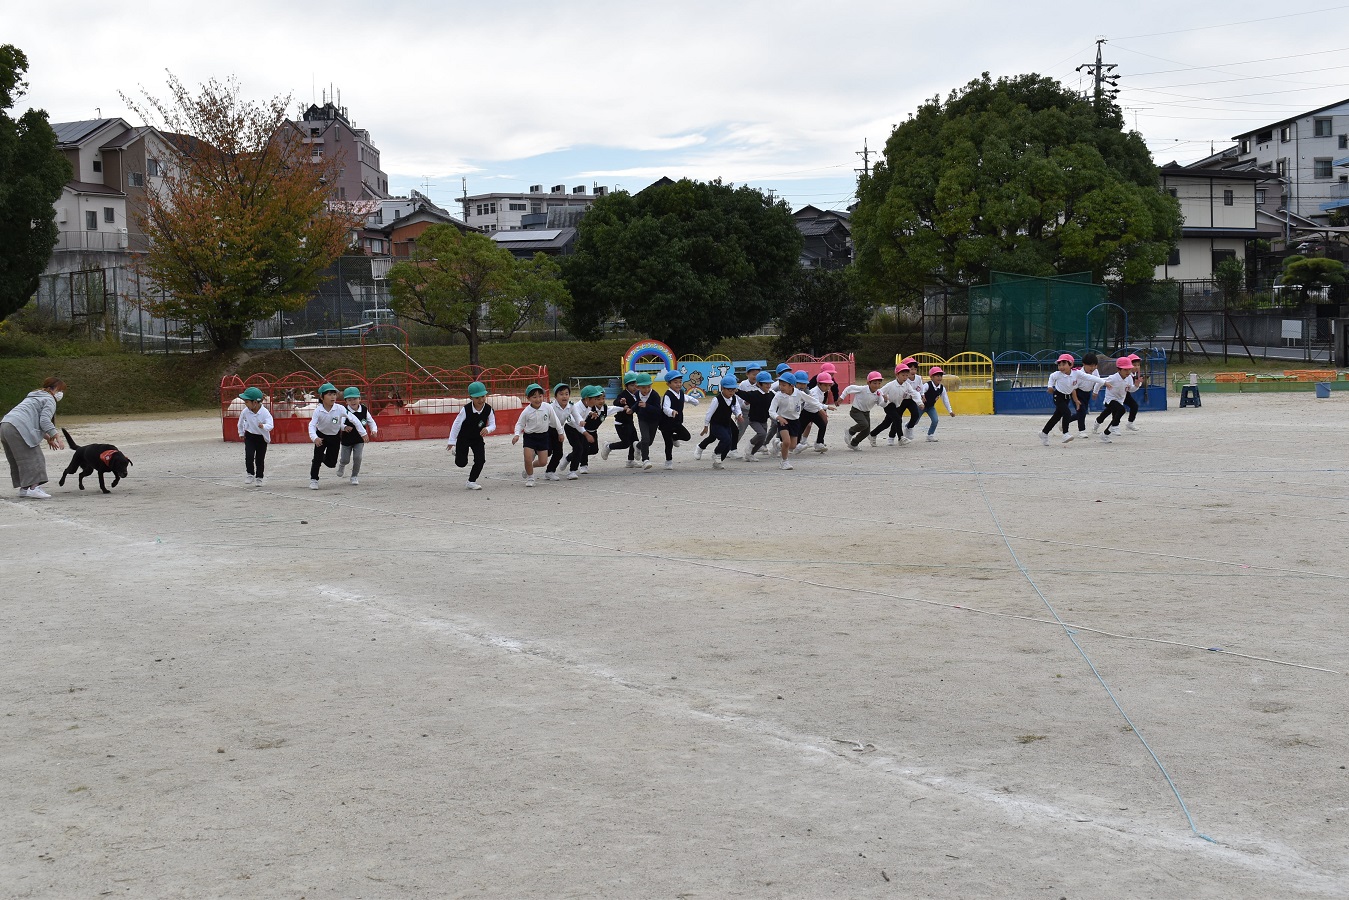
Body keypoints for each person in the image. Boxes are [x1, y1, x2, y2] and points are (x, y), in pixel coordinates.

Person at [2, 377, 66, 500]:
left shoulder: (33, 396)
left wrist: (48, 438)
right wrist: (57, 436)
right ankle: (34, 488)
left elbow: (31, 422)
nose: (61, 393)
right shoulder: (49, 399)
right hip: (17, 427)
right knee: (35, 457)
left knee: (20, 459)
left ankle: (24, 488)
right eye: (60, 390)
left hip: (5, 425)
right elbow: (44, 421)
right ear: (53, 389)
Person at [309, 383, 367, 489]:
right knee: (316, 459)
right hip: (321, 436)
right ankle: (314, 480)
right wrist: (315, 438)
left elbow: (353, 419)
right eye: (329, 394)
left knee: (331, 463)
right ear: (322, 397)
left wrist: (363, 433)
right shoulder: (318, 410)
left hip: (335, 437)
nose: (333, 397)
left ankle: (322, 456)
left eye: (334, 394)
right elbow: (312, 425)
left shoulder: (339, 408)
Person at [446, 381, 494, 490]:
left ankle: (471, 481)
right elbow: (456, 424)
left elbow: (493, 424)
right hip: (464, 438)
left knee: (480, 460)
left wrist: (488, 429)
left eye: (483, 396)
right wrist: (452, 441)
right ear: (471, 398)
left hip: (477, 438)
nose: (481, 400)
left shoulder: (488, 409)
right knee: (461, 463)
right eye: (477, 398)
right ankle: (457, 452)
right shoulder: (466, 409)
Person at [512, 383, 562, 486]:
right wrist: (516, 434)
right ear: (528, 398)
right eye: (534, 397)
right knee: (527, 458)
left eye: (540, 396)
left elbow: (555, 420)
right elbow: (520, 424)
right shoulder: (526, 411)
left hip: (543, 436)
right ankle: (530, 478)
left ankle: (529, 468)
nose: (538, 399)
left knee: (543, 462)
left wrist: (560, 432)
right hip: (530, 437)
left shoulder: (547, 407)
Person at [700, 375, 745, 469]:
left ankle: (718, 462)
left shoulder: (734, 398)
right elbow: (709, 413)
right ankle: (716, 453)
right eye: (729, 390)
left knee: (728, 444)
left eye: (733, 390)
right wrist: (706, 425)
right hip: (716, 424)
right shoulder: (717, 399)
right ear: (723, 388)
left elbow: (737, 408)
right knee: (726, 439)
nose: (732, 392)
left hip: (726, 424)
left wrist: (739, 415)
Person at [337, 387, 378, 485]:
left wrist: (374, 430)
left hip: (359, 439)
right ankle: (342, 464)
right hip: (346, 440)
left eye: (355, 399)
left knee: (358, 457)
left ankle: (354, 476)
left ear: (359, 398)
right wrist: (344, 427)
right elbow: (339, 423)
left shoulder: (364, 409)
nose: (352, 401)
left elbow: (371, 421)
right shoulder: (344, 410)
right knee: (345, 459)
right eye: (349, 400)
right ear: (346, 401)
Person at [658, 370, 697, 470]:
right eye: (675, 382)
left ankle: (674, 437)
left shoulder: (681, 393)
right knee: (668, 444)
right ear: (668, 384)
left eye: (680, 381)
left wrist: (694, 401)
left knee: (686, 436)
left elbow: (686, 398)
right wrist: (672, 412)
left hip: (677, 422)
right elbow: (665, 408)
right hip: (666, 424)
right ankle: (668, 461)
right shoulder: (667, 395)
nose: (678, 384)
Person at [601, 372, 641, 467]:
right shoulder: (623, 395)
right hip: (621, 423)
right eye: (632, 385)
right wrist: (620, 401)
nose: (635, 387)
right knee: (626, 443)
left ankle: (630, 461)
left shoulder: (637, 395)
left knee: (635, 441)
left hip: (629, 422)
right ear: (626, 386)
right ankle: (608, 446)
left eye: (636, 385)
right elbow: (616, 402)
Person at [236, 386, 274, 486]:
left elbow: (271, 425)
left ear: (255, 403)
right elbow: (240, 423)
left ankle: (259, 477)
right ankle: (250, 474)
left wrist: (263, 426)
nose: (245, 404)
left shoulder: (265, 412)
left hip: (261, 438)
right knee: (249, 456)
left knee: (259, 459)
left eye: (247, 401)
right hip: (250, 436)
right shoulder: (245, 411)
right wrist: (241, 433)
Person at [1093, 358, 1137, 443]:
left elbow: (1130, 389)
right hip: (1110, 400)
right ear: (1118, 369)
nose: (1128, 372)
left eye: (1129, 369)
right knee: (1121, 410)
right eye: (1125, 369)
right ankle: (1109, 426)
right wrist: (1095, 392)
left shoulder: (1129, 378)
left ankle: (1105, 434)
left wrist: (1136, 386)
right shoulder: (1113, 378)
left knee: (1111, 416)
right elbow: (1099, 382)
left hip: (1119, 401)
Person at [544, 383, 582, 481]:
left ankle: (550, 472)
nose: (564, 396)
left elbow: (577, 416)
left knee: (559, 453)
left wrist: (581, 421)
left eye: (566, 394)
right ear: (555, 396)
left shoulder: (571, 406)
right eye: (561, 394)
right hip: (547, 430)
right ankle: (536, 450)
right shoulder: (550, 406)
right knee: (547, 452)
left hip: (558, 430)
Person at [768, 370, 805, 470]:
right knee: (787, 442)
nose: (781, 387)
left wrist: (825, 406)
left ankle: (778, 444)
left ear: (791, 386)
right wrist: (778, 417)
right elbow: (771, 410)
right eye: (780, 384)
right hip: (783, 420)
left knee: (792, 446)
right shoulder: (778, 395)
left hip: (795, 421)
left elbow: (811, 400)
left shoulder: (799, 393)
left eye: (784, 385)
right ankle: (784, 462)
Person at [736, 370, 776, 460]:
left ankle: (750, 455)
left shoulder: (772, 394)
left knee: (763, 439)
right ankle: (750, 445)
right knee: (762, 434)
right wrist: (734, 389)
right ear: (759, 384)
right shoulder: (754, 394)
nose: (768, 386)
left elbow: (779, 398)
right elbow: (743, 394)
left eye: (769, 383)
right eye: (766, 384)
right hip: (754, 420)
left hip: (764, 420)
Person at [1040, 354, 1077, 446]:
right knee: (1067, 413)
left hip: (1066, 398)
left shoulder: (1075, 374)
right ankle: (1065, 434)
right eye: (1059, 365)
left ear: (1071, 365)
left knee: (1056, 417)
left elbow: (1088, 377)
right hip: (1058, 396)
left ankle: (1044, 433)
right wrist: (1050, 386)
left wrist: (1103, 381)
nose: (1061, 367)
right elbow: (1051, 377)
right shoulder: (1058, 374)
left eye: (1064, 364)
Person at [843, 371, 885, 450]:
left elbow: (881, 404)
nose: (877, 385)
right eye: (874, 383)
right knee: (864, 424)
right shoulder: (862, 389)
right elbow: (849, 388)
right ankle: (850, 431)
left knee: (866, 432)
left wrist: (885, 401)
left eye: (879, 383)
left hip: (866, 412)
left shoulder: (879, 392)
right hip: (856, 410)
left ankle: (854, 443)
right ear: (868, 383)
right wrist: (842, 397)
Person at [1069, 354, 1106, 440]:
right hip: (1077, 393)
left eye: (1094, 366)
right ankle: (1081, 431)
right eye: (1090, 366)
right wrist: (1076, 400)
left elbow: (1099, 381)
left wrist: (1095, 392)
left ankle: (1066, 420)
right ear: (1084, 364)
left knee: (1082, 413)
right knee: (1081, 411)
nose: (1092, 368)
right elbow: (1073, 388)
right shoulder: (1078, 374)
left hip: (1087, 394)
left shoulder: (1095, 372)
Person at [633, 373, 663, 471]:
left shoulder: (655, 395)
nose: (646, 390)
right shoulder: (637, 394)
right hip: (643, 420)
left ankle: (637, 445)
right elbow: (637, 404)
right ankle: (645, 460)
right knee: (645, 439)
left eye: (648, 387)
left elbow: (658, 411)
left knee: (649, 442)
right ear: (638, 387)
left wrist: (647, 406)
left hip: (654, 420)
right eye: (643, 387)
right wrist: (632, 410)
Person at [920, 366, 955, 442]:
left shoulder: (942, 388)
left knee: (935, 420)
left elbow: (945, 400)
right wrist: (922, 397)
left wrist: (950, 411)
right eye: (937, 376)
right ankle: (908, 427)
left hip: (930, 407)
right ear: (931, 377)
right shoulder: (927, 385)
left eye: (941, 376)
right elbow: (920, 391)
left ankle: (930, 435)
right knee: (915, 421)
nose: (939, 378)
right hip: (921, 406)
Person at [1122, 353, 1144, 431]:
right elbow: (1130, 388)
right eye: (1134, 365)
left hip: (1125, 393)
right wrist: (1136, 385)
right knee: (1114, 410)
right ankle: (1098, 422)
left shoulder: (1135, 374)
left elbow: (1131, 389)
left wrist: (1137, 385)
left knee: (1134, 406)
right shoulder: (1127, 375)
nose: (1137, 367)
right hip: (1117, 393)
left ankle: (1130, 423)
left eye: (1138, 365)